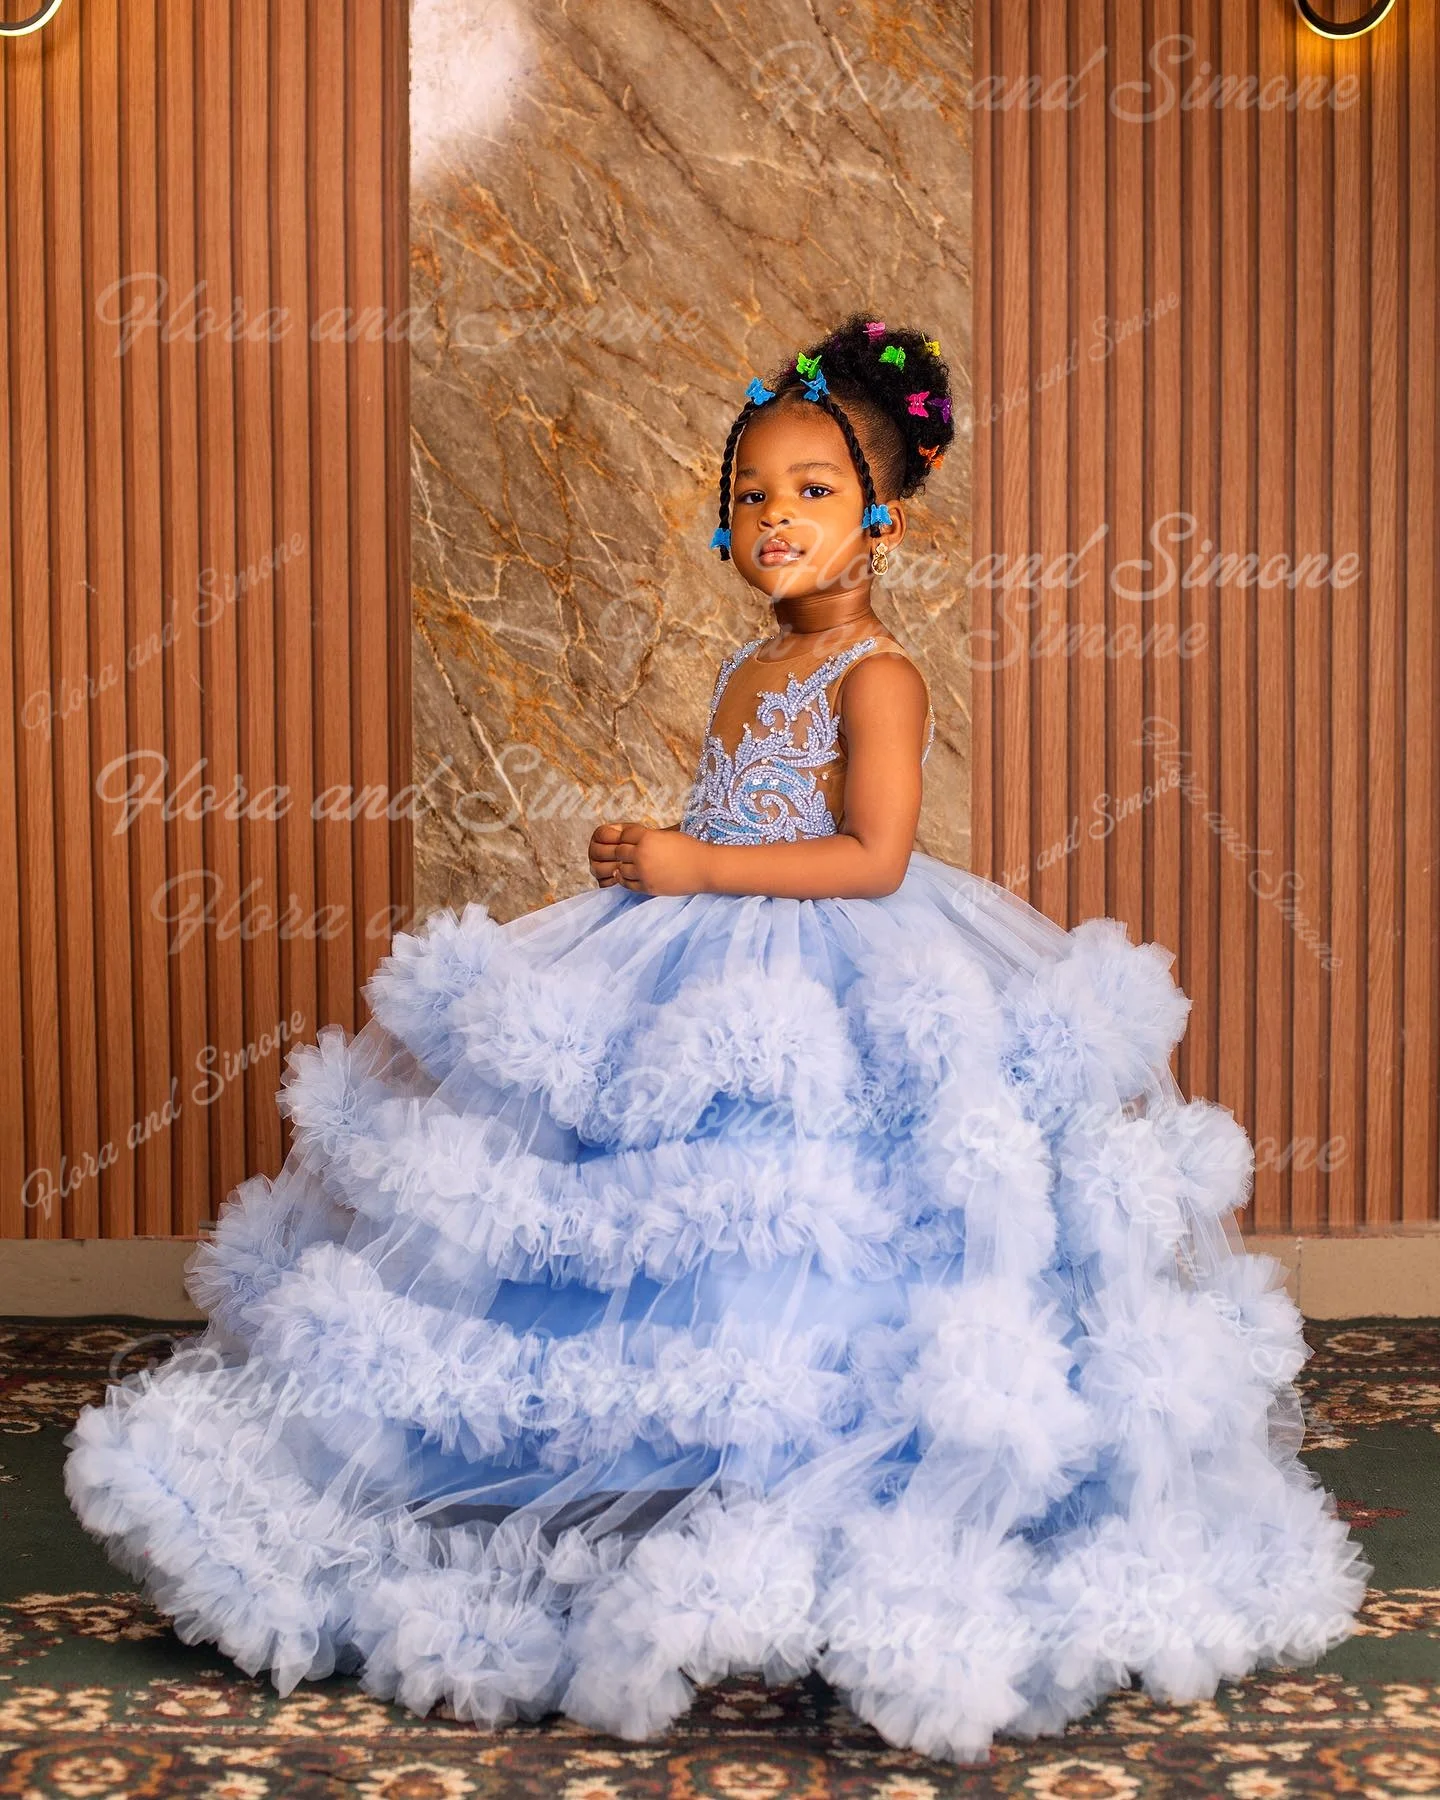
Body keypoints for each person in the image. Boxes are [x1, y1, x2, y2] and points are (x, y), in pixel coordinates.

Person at [62, 314, 1370, 1765]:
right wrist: (663, 852)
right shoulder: (755, 668)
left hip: (836, 972)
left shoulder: (879, 676)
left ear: (879, 514)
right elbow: (745, 809)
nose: (772, 518)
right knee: (652, 1229)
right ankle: (662, 1486)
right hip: (702, 953)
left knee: (810, 1228)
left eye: (810, 489)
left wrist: (693, 865)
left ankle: (809, 1505)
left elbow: (873, 857)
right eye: (749, 492)